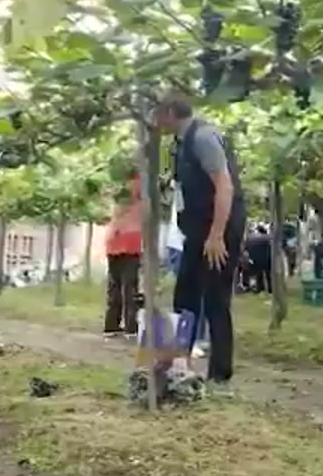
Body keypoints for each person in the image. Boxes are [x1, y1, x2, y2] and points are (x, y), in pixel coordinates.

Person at [152, 91, 244, 387]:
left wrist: (217, 235)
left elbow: (224, 186)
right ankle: (178, 365)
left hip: (218, 230)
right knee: (186, 296)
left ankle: (220, 376)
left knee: (216, 299)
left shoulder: (203, 137)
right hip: (196, 230)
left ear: (169, 112)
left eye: (156, 113)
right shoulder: (180, 143)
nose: (154, 121)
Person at [103, 177, 144, 335]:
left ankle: (111, 324)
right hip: (130, 240)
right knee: (129, 286)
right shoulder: (140, 183)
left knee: (115, 285)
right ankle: (131, 327)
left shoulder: (119, 186)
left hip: (113, 239)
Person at [245, 224, 273, 295]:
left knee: (258, 275)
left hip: (255, 259)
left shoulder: (250, 238)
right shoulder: (268, 238)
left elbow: (246, 248)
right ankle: (270, 289)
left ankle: (259, 289)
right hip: (266, 259)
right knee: (268, 275)